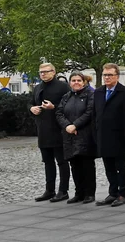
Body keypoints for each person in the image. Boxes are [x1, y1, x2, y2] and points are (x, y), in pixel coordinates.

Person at [93, 63, 125, 207]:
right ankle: (112, 192)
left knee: (120, 167)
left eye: (110, 75)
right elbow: (95, 114)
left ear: (117, 76)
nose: (107, 78)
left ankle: (122, 194)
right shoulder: (98, 92)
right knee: (108, 166)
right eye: (105, 75)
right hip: (103, 136)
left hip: (119, 136)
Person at [55, 72, 98, 204]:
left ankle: (89, 193)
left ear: (84, 82)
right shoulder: (66, 96)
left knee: (87, 165)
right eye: (73, 80)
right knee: (74, 165)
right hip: (69, 136)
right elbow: (59, 112)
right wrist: (67, 125)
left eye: (79, 80)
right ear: (69, 83)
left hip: (85, 134)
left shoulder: (90, 95)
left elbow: (89, 112)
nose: (76, 83)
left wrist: (75, 125)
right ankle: (79, 192)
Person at [30, 63, 71, 202]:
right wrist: (32, 108)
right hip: (43, 129)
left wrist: (54, 107)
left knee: (62, 161)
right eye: (41, 72)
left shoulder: (63, 87)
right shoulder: (37, 87)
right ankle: (49, 190)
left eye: (46, 72)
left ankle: (63, 191)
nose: (43, 74)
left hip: (58, 129)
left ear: (53, 72)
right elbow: (30, 102)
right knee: (48, 162)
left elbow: (70, 105)